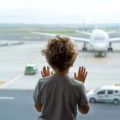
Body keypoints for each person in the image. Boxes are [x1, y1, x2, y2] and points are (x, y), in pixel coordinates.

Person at [33, 35, 90, 120]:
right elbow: (84, 110)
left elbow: (39, 108)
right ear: (72, 62)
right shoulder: (78, 86)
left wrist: (46, 80)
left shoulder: (42, 83)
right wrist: (80, 84)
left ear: (49, 62)